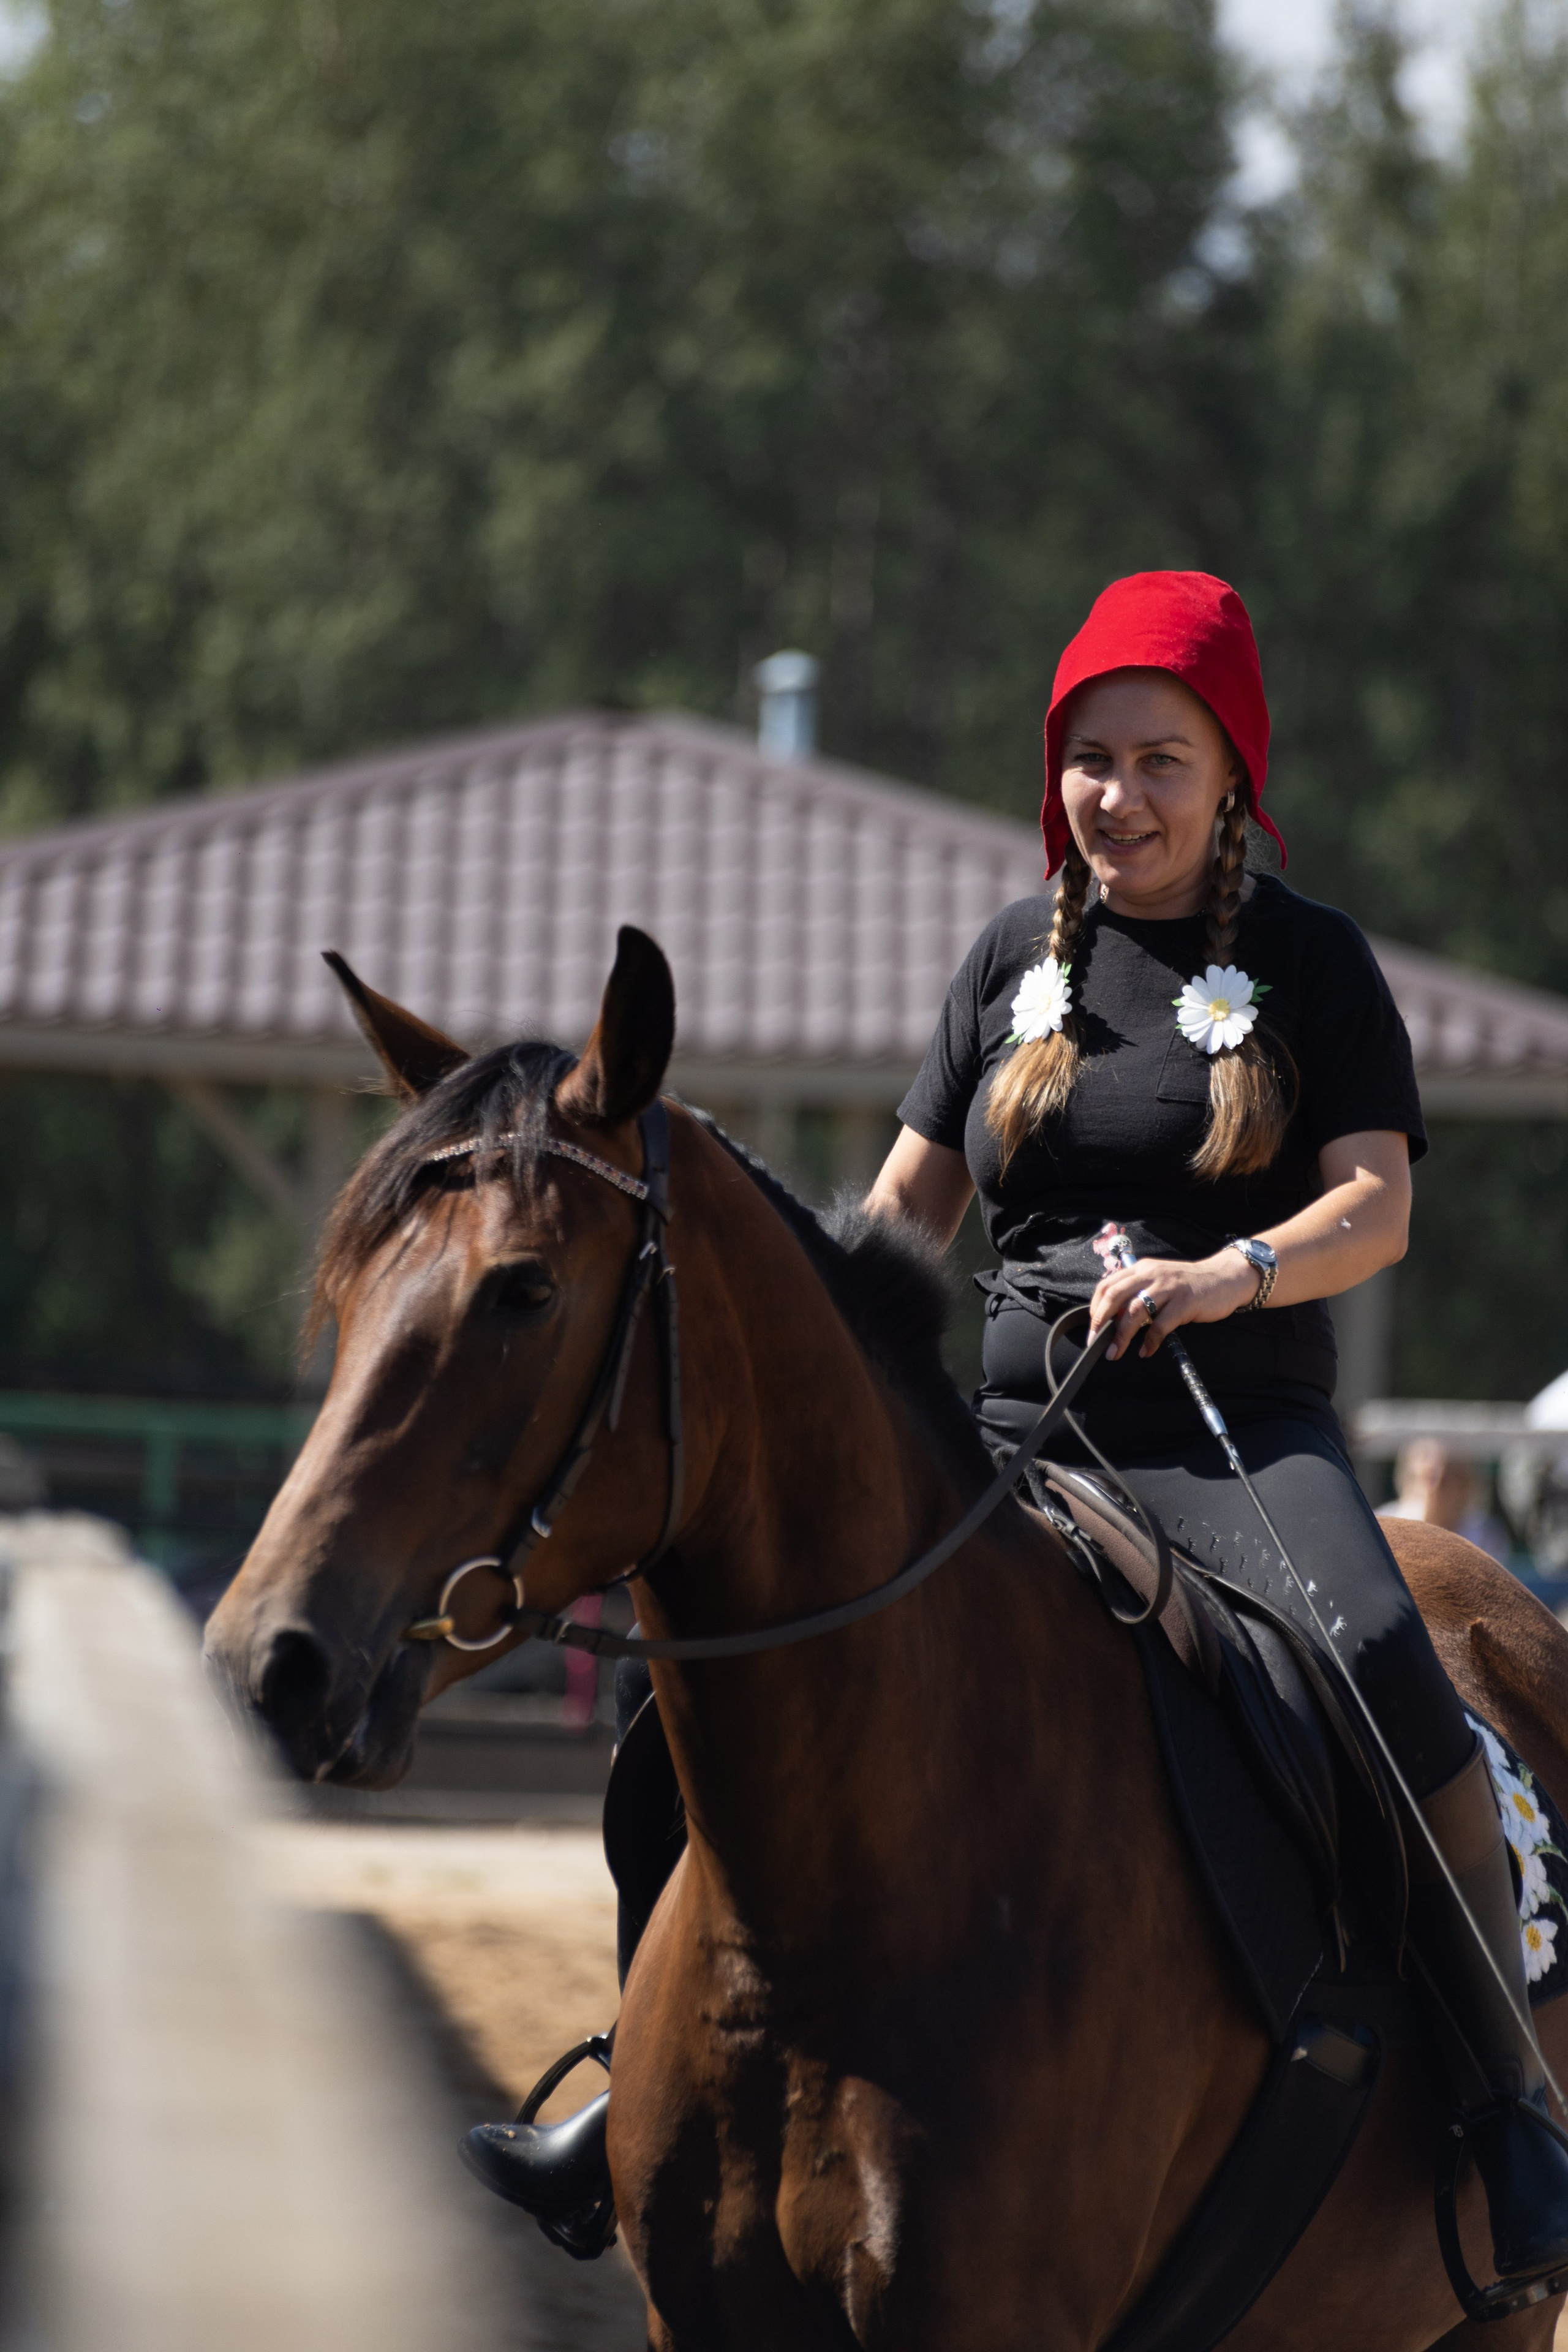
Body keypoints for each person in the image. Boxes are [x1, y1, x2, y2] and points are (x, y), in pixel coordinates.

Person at [463, 570, 1568, 2285]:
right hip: (1000, 1435)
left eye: (1159, 761)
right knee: (688, 1722)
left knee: (1382, 1666)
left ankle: (1511, 2112)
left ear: (1234, 778)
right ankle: (631, 2090)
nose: (1114, 797)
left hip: (1231, 1438)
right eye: (1088, 759)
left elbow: (1377, 1209)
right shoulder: (1005, 961)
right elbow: (899, 1217)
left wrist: (1230, 1275)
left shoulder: (1314, 966)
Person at [1379, 1437, 1509, 1562]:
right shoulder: (1382, 1525)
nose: (1433, 1490)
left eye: (1445, 1481)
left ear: (1463, 1485)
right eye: (1428, 1479)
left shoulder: (1485, 1533)